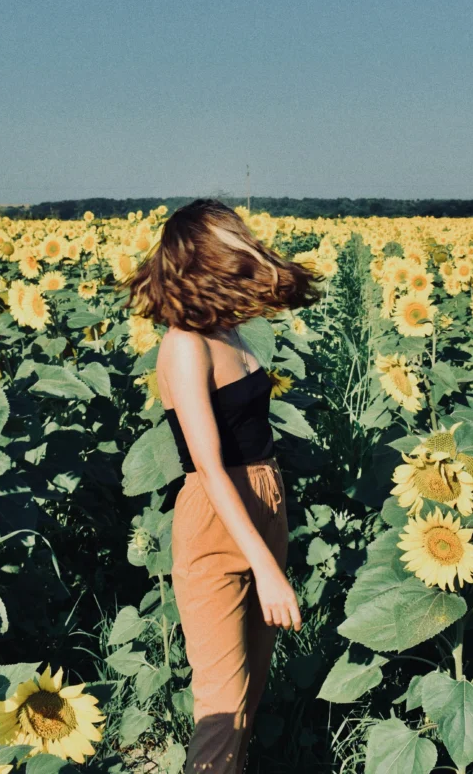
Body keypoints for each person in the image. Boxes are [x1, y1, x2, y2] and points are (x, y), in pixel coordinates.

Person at [121, 199, 326, 773]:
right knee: (222, 707)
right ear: (199, 256)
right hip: (217, 517)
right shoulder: (183, 345)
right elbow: (208, 466)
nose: (243, 247)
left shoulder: (227, 328)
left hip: (264, 499)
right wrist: (265, 568)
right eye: (229, 241)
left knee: (251, 695)